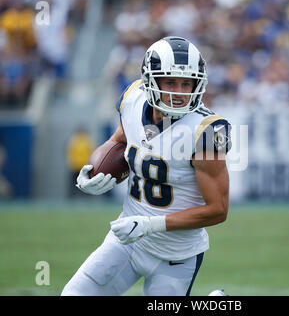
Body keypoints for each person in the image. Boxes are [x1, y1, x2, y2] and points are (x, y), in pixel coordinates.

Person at [61, 36, 231, 296]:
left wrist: (150, 224)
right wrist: (96, 174)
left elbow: (217, 210)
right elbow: (121, 142)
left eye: (187, 83)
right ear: (151, 81)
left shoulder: (205, 131)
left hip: (176, 256)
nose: (179, 92)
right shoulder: (133, 99)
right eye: (170, 82)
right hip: (127, 241)